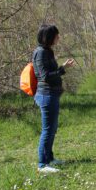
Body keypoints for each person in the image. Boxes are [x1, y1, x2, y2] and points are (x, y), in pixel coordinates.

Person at [32, 25, 75, 173]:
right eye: (57, 35)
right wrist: (62, 69)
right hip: (46, 95)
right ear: (48, 37)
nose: (59, 38)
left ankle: (49, 158)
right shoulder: (40, 53)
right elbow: (45, 76)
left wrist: (62, 67)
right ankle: (42, 165)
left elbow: (50, 72)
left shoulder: (47, 51)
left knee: (52, 129)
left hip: (52, 95)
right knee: (48, 130)